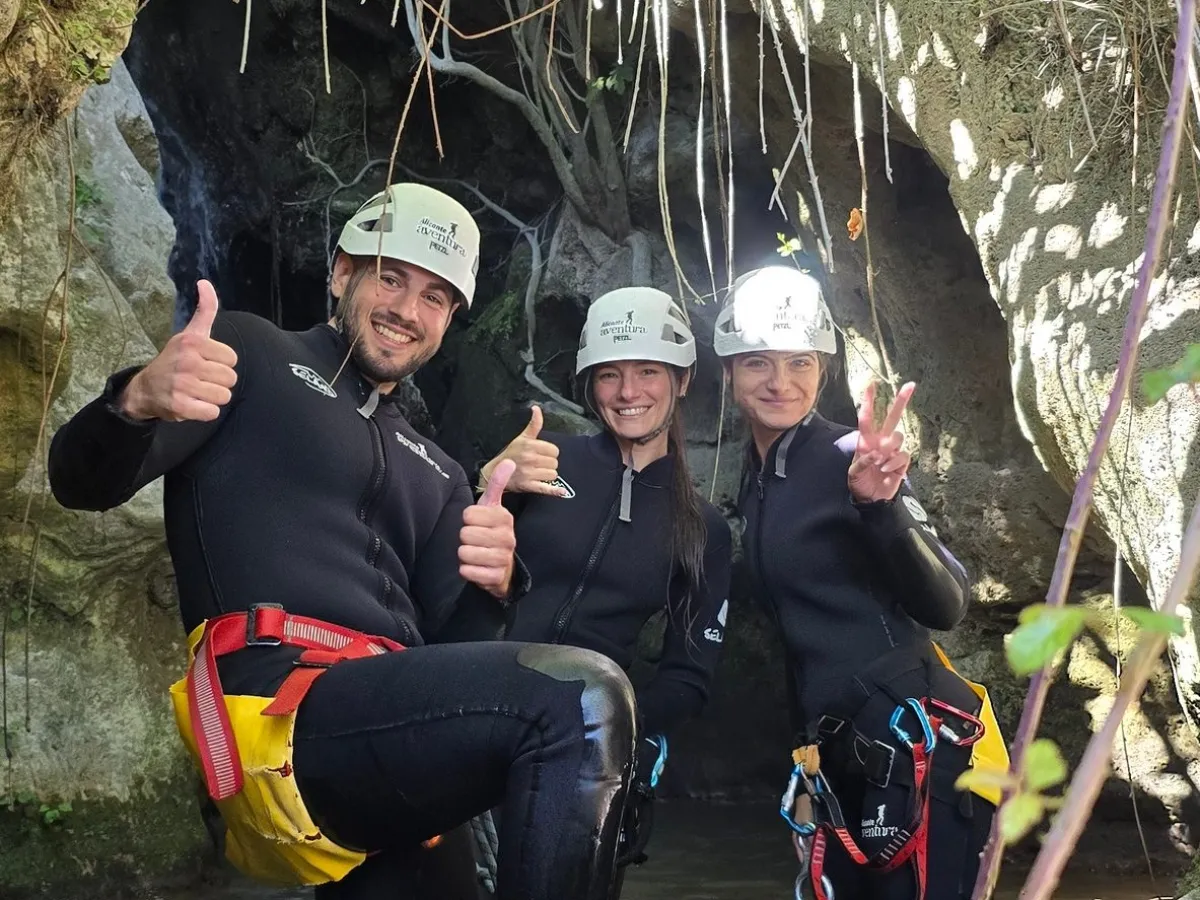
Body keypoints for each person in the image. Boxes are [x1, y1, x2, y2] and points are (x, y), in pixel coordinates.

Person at [46, 181, 638, 900]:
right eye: (390, 277)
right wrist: (133, 403)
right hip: (278, 712)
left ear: (449, 321)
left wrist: (496, 584)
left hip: (386, 749)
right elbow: (80, 485)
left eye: (434, 298)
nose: (405, 311)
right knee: (580, 697)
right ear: (341, 273)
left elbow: (450, 647)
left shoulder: (441, 471)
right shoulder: (248, 355)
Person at [711, 264, 1010, 900]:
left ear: (822, 368)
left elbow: (948, 602)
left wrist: (882, 506)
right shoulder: (756, 478)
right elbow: (802, 642)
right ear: (729, 369)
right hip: (841, 753)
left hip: (921, 746)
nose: (780, 382)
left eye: (800, 362)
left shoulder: (853, 457)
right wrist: (806, 765)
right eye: (758, 362)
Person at [476, 286, 733, 894]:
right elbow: (449, 569)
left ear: (683, 379)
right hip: (478, 707)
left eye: (648, 372)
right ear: (590, 382)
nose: (628, 393)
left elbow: (690, 676)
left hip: (584, 751)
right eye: (610, 375)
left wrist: (616, 730)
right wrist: (484, 483)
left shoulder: (703, 528)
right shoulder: (543, 461)